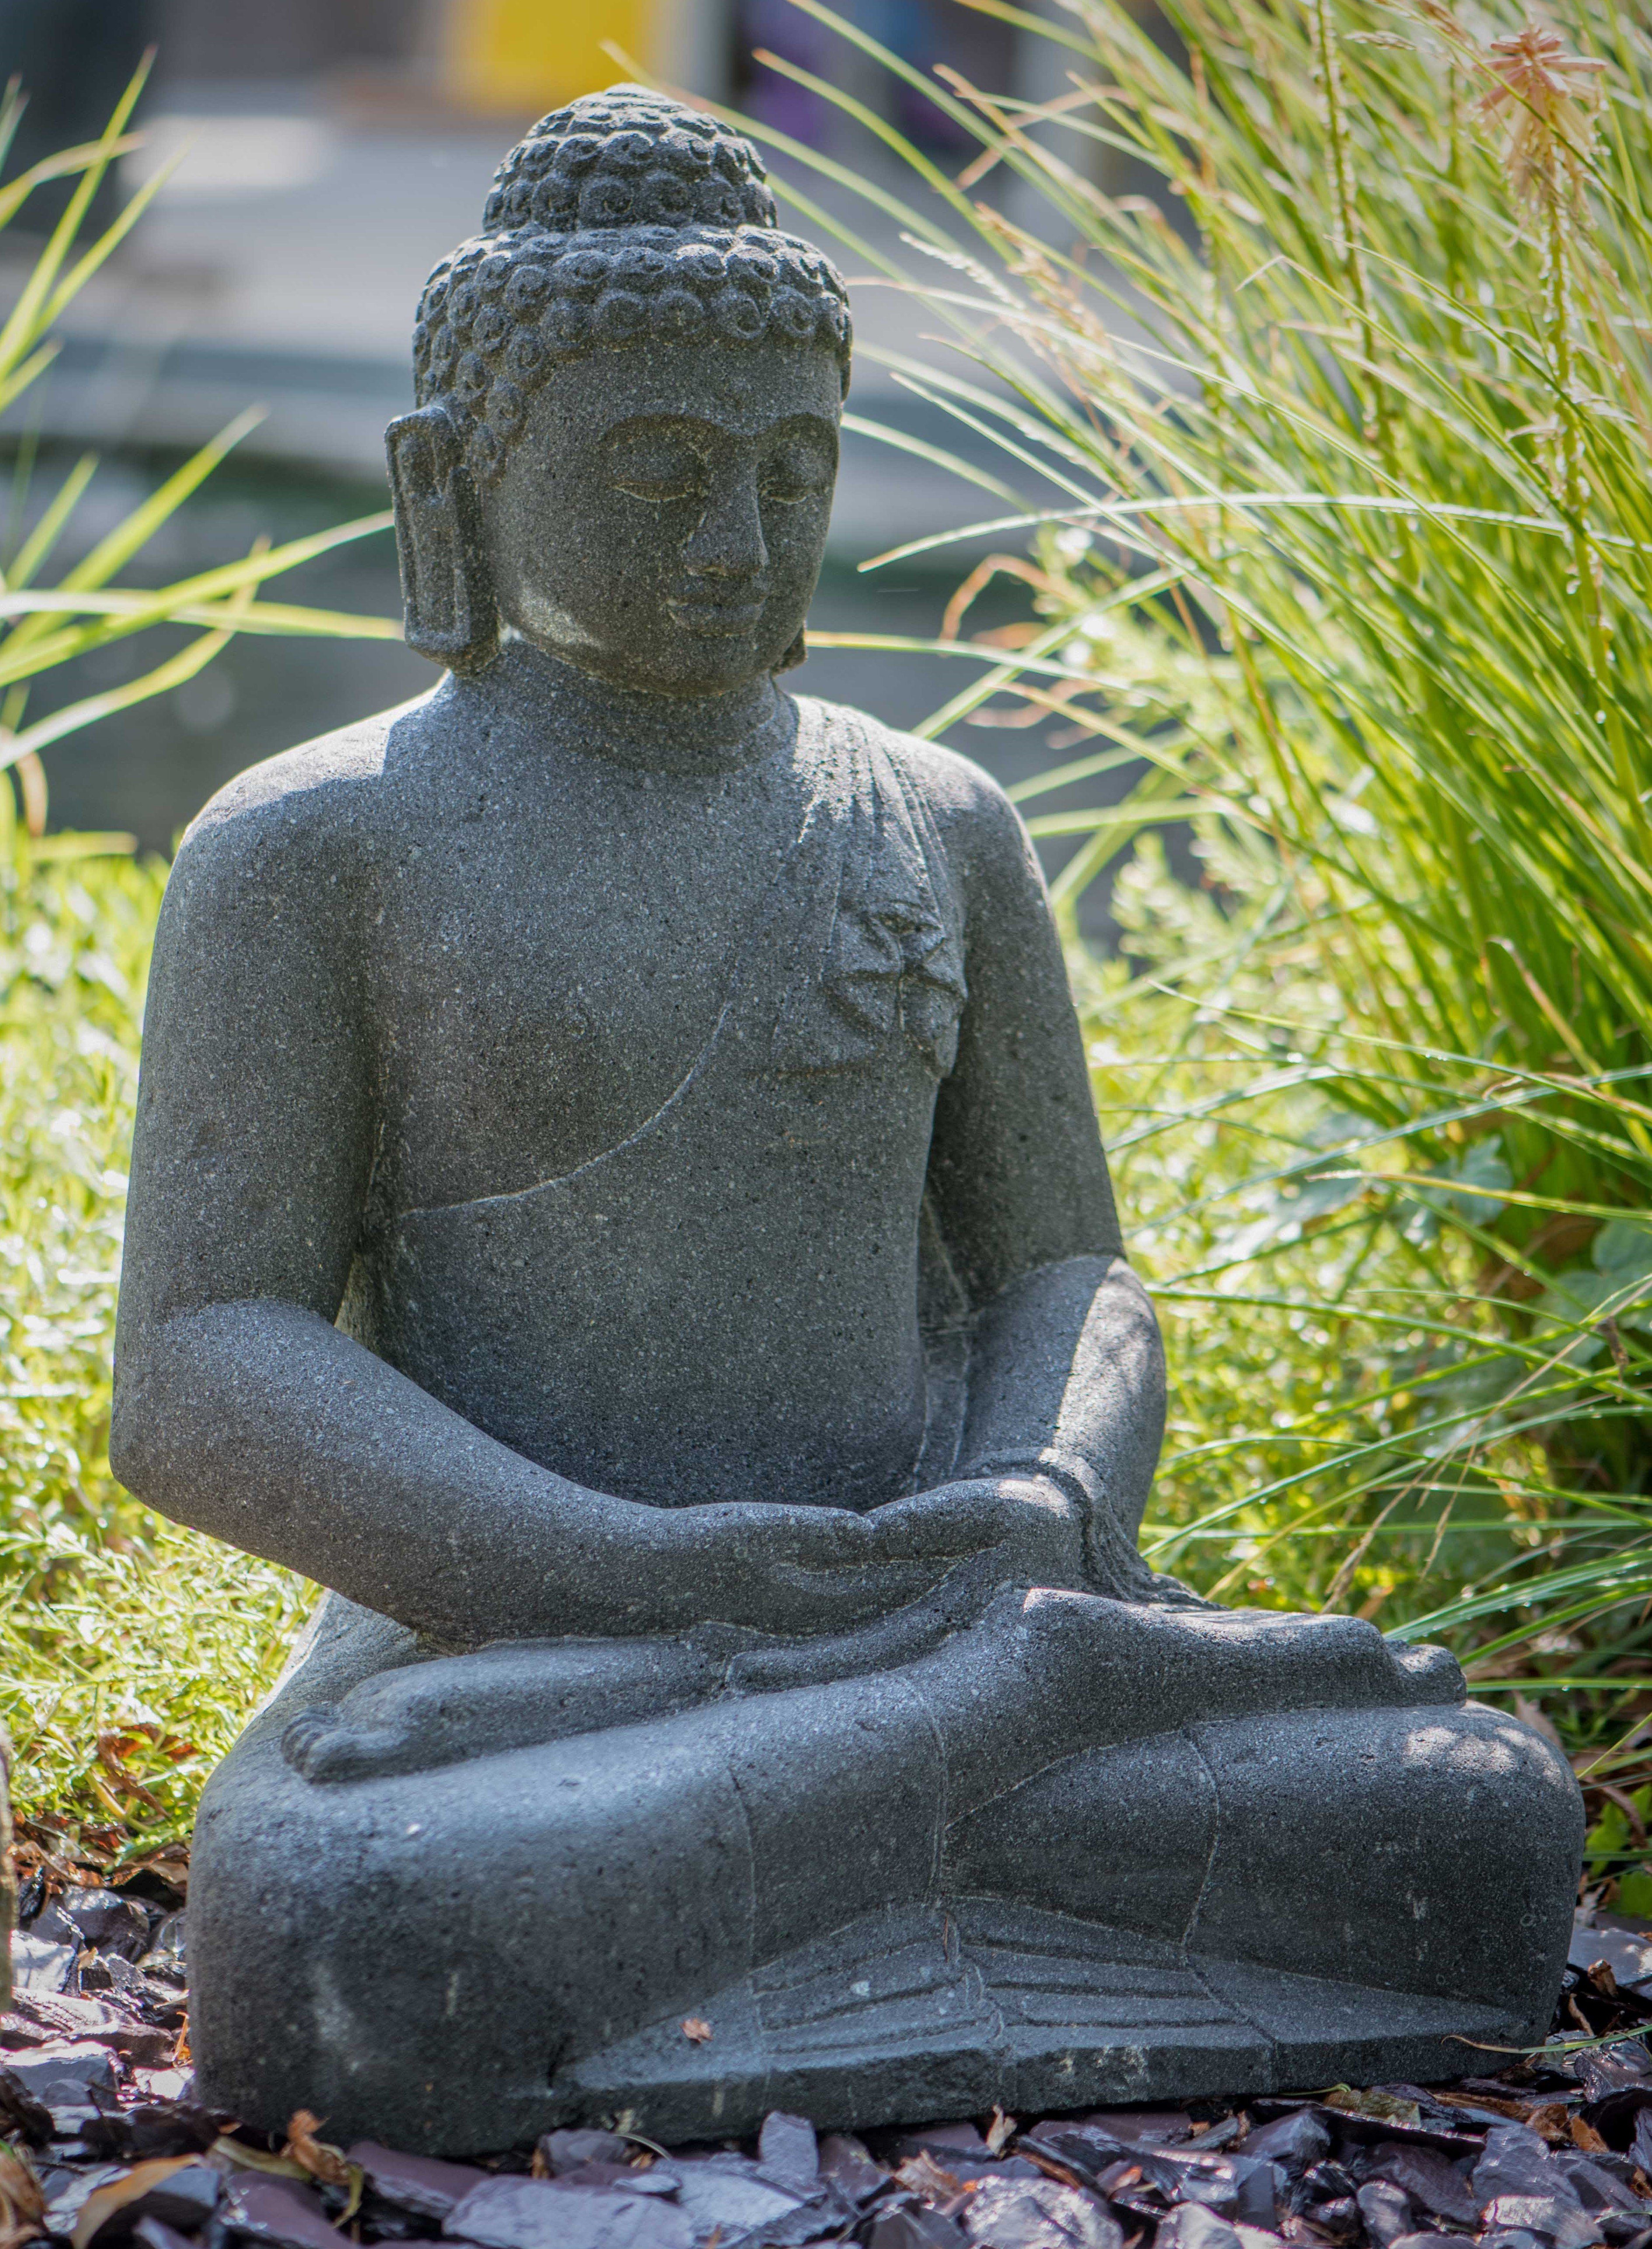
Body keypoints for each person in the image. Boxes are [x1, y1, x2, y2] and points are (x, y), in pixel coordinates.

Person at [111, 86, 1580, 2156]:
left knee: (1479, 1818)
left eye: (792, 474)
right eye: (656, 473)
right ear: (453, 483)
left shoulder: (936, 819)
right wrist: (623, 1571)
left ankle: (952, 1735)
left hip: (942, 1582)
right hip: (526, 1664)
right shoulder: (315, 849)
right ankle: (1001, 1730)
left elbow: (1063, 1262)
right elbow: (197, 1371)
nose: (736, 542)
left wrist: (1043, 1497)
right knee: (345, 1915)